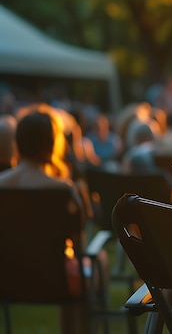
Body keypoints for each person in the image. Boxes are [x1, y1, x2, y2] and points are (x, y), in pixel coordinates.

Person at [0, 109, 106, 334]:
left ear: (18, 142)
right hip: (57, 283)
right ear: (51, 144)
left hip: (6, 280)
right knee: (98, 260)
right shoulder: (63, 190)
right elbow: (78, 246)